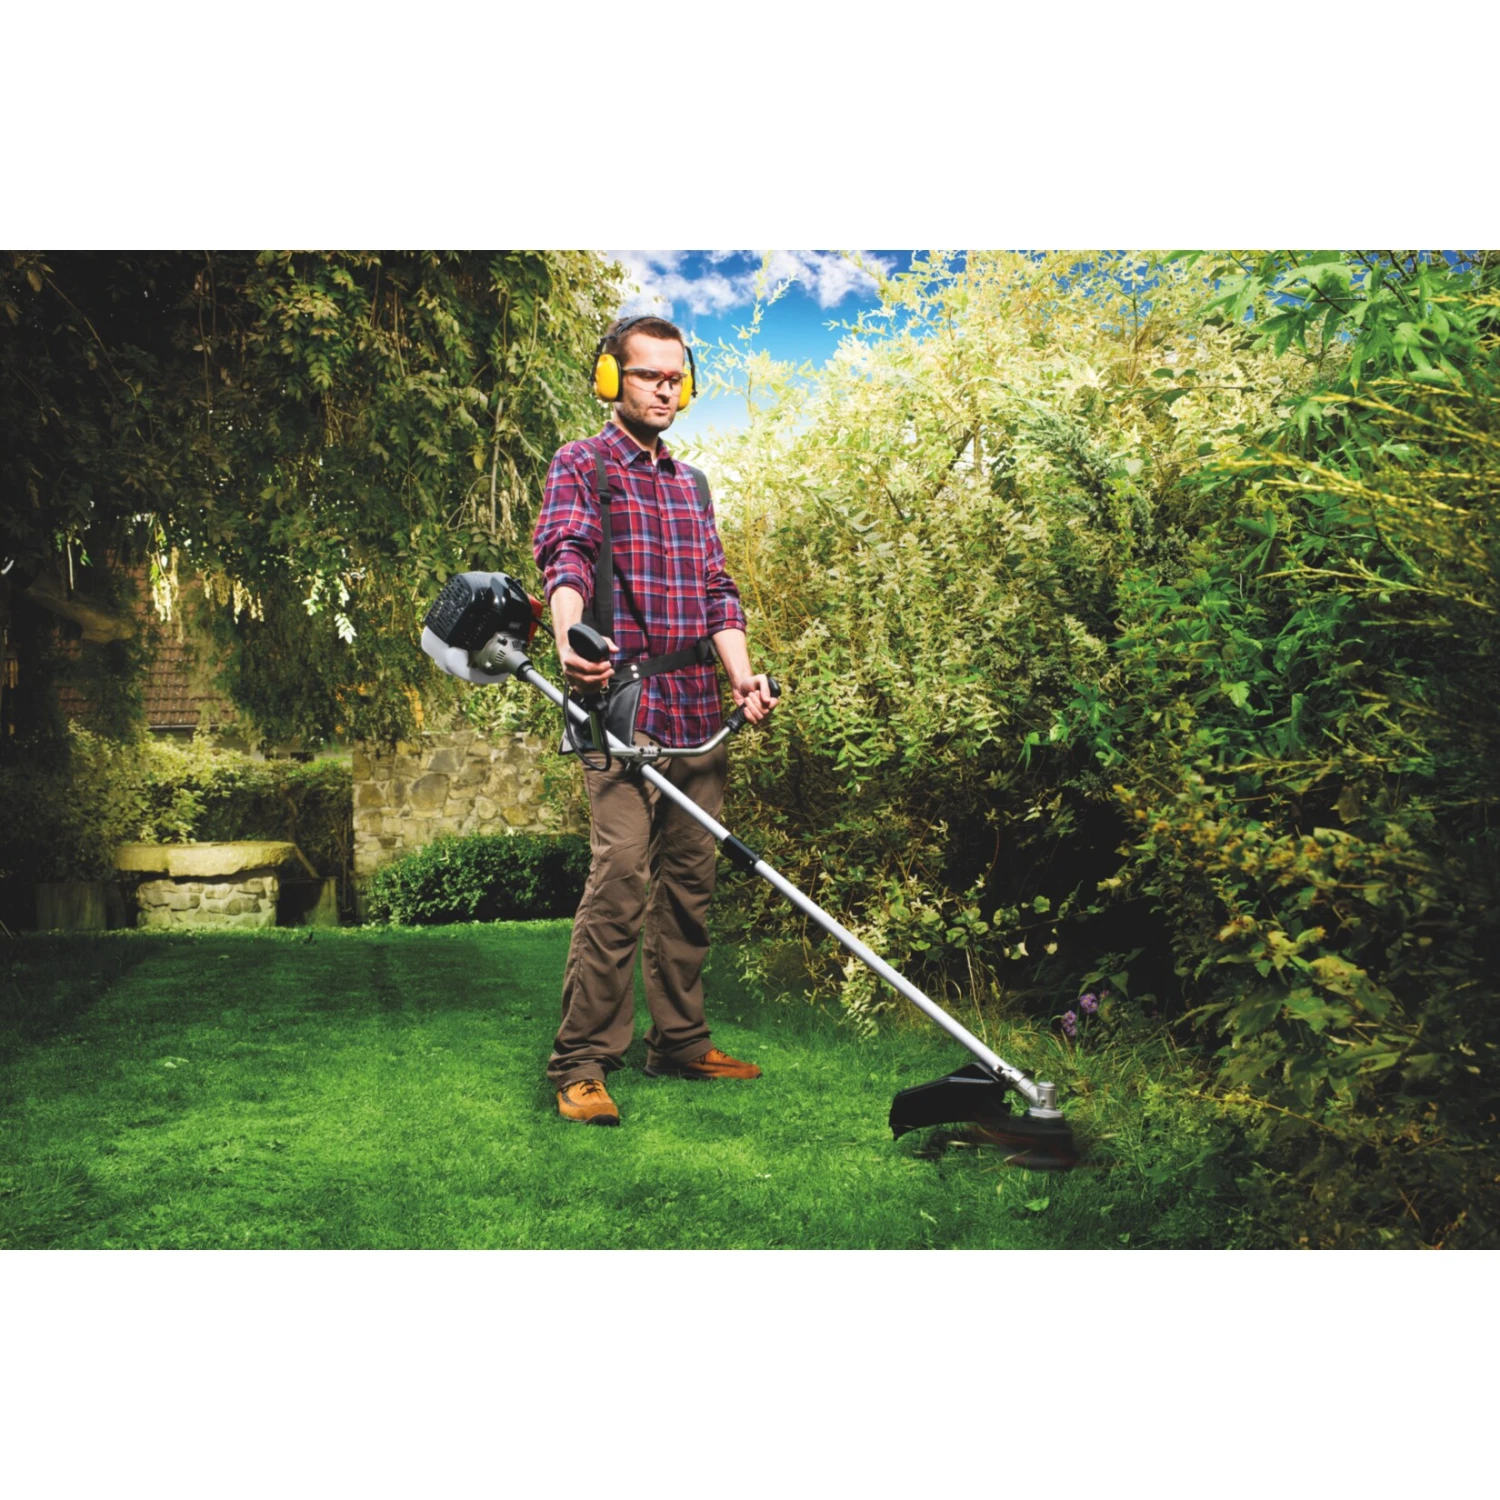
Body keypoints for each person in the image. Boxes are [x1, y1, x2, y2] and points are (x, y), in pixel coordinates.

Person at [533, 315, 778, 1126]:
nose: (665, 390)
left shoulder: (691, 485)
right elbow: (565, 555)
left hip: (698, 710)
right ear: (610, 379)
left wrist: (742, 678)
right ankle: (581, 1061)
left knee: (691, 887)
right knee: (619, 883)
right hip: (622, 710)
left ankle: (679, 1040)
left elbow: (717, 590)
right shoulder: (584, 465)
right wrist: (570, 637)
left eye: (676, 378)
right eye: (648, 375)